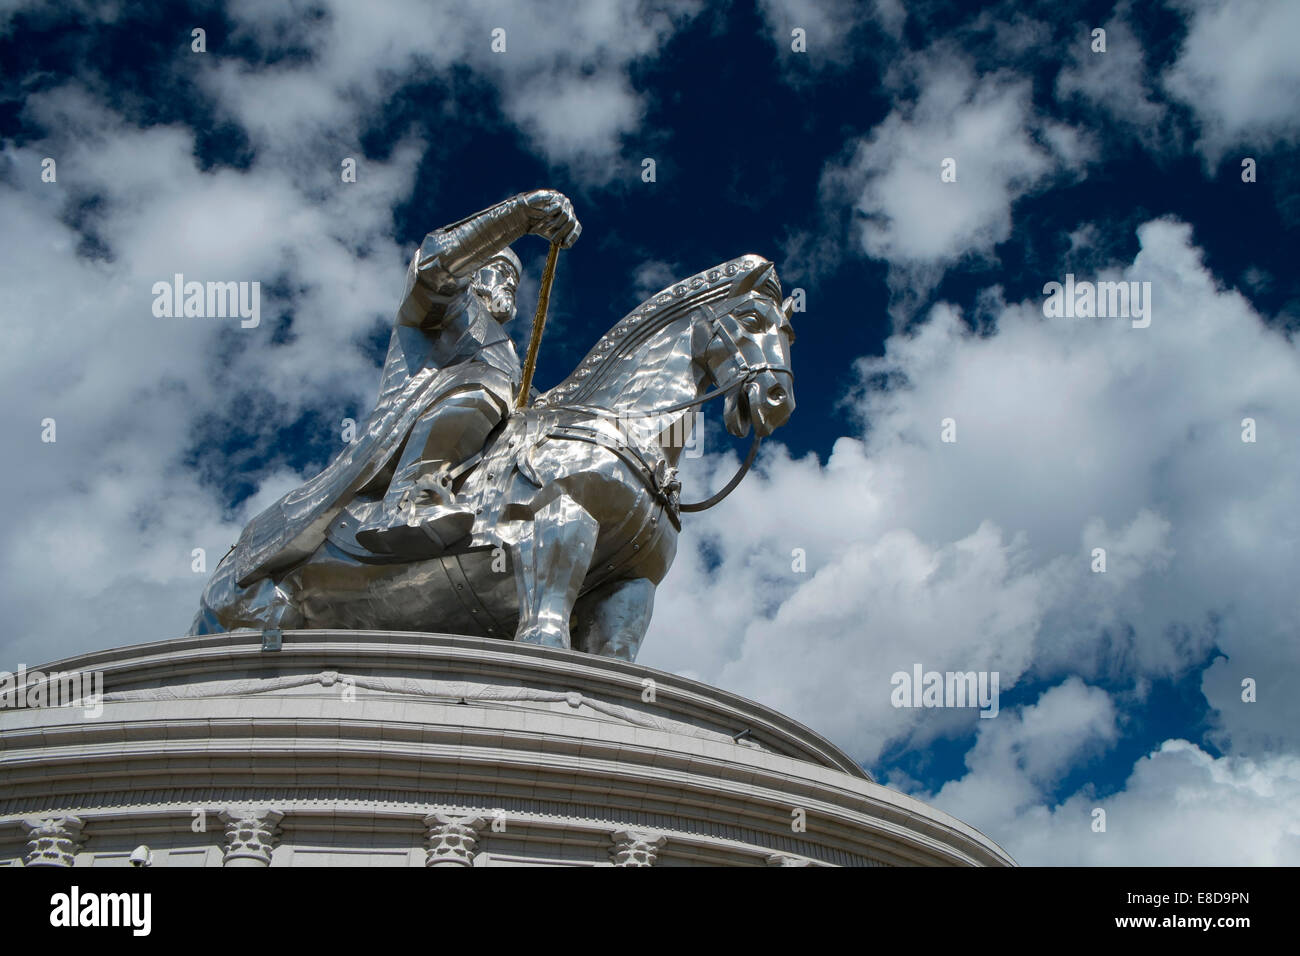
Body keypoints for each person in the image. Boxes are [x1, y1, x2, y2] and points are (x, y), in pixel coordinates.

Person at [230, 189, 581, 589]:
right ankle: (410, 498)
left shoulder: (507, 349)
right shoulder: (447, 304)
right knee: (486, 384)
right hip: (411, 421)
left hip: (482, 450)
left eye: (513, 282)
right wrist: (519, 217)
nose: (507, 287)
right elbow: (437, 263)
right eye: (498, 272)